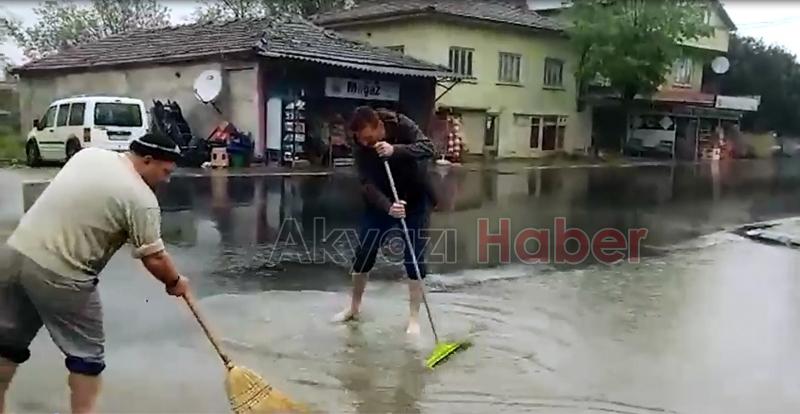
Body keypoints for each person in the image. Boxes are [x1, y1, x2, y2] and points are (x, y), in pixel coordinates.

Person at [0, 133, 190, 414]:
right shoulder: (141, 199)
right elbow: (155, 258)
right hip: (62, 273)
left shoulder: (90, 155)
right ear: (147, 160)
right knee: (87, 356)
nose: (167, 179)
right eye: (165, 172)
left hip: (15, 253)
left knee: (7, 344)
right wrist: (175, 282)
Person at [332, 106, 437, 335]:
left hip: (415, 198)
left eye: (370, 138)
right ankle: (354, 308)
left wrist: (395, 150)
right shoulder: (360, 146)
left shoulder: (401, 124)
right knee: (363, 253)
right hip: (382, 201)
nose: (366, 143)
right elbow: (366, 184)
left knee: (414, 260)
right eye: (362, 140)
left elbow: (428, 147)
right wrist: (388, 207)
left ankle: (414, 319)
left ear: (379, 125)